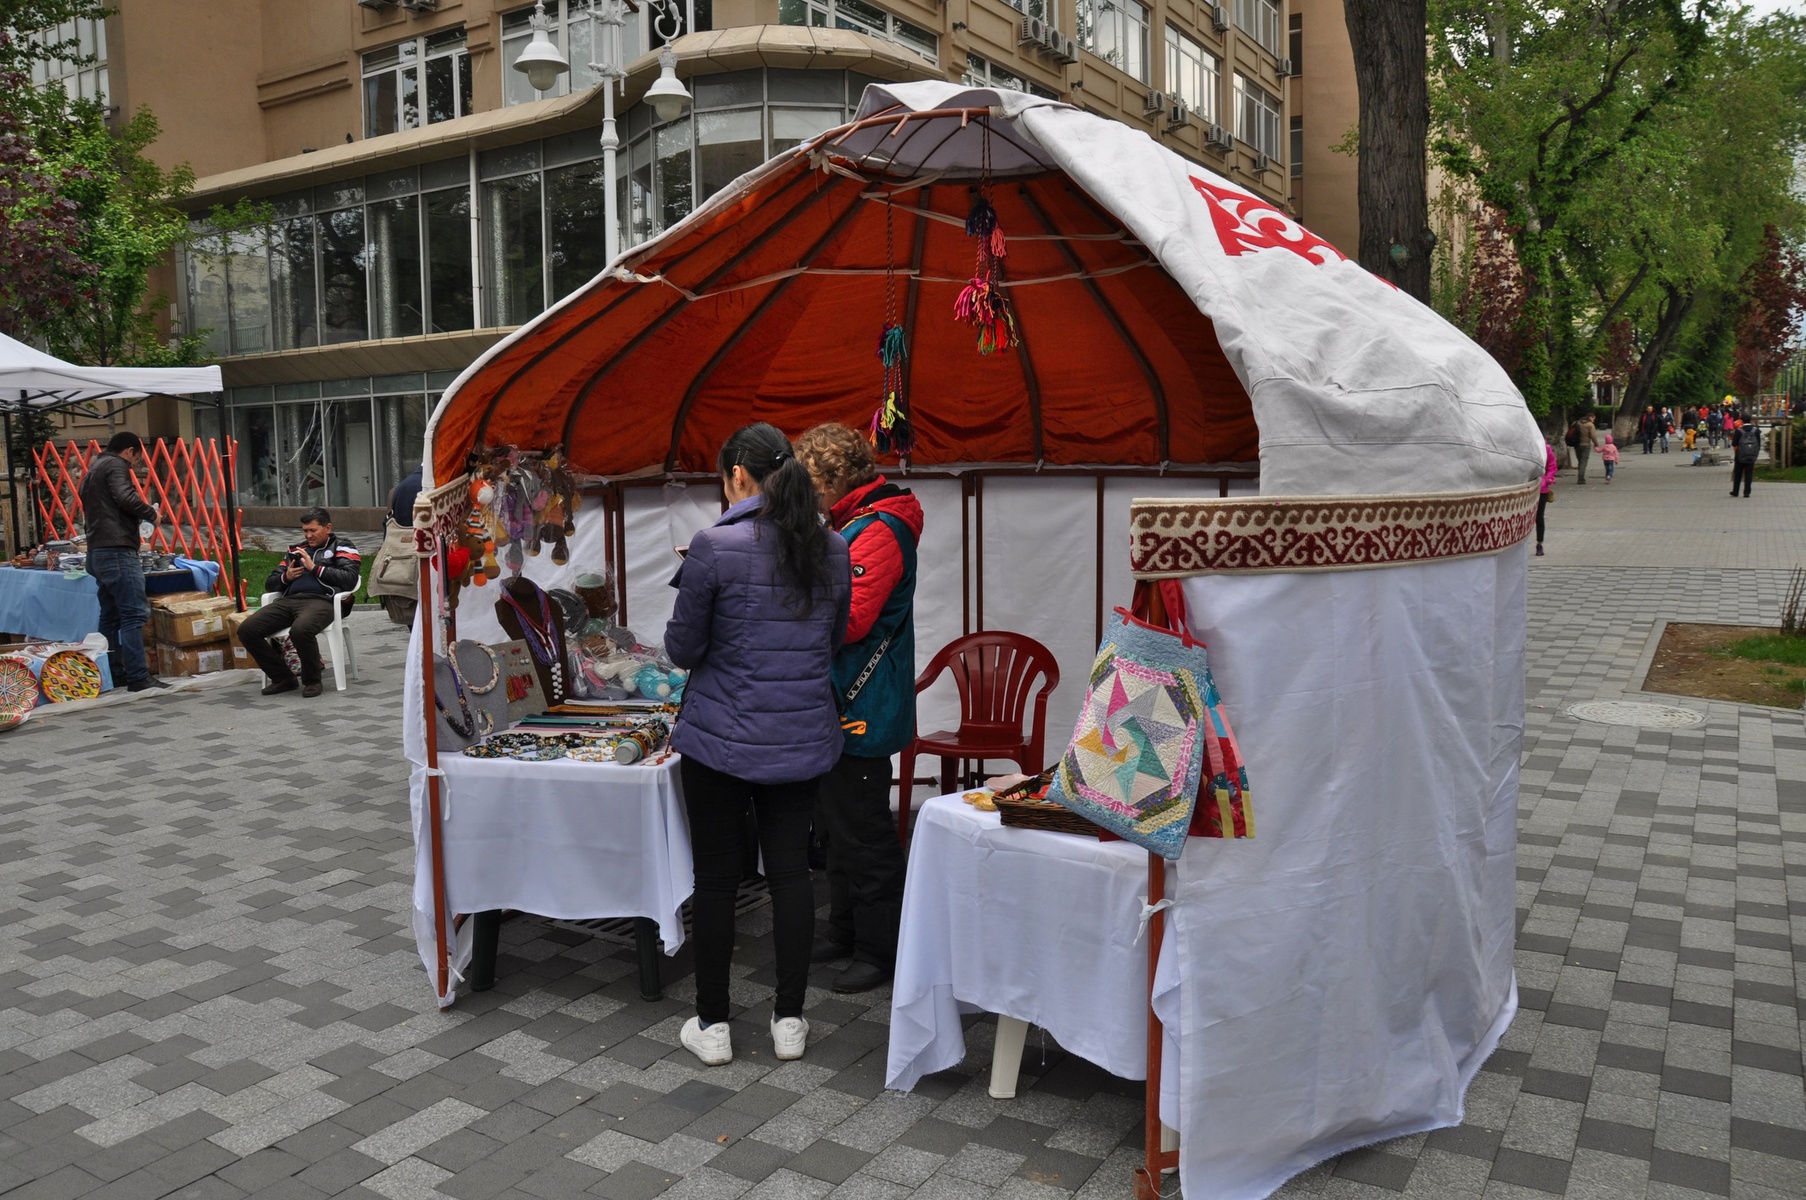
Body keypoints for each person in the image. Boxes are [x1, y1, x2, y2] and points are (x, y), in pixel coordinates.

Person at [663, 423, 851, 1067]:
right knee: (792, 873)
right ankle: (789, 1020)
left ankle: (713, 1025)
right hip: (801, 734)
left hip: (720, 739)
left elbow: (683, 648)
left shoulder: (713, 546)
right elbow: (831, 642)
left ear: (738, 475)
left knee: (716, 880)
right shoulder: (832, 547)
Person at [793, 423, 923, 995]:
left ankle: (880, 949)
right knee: (839, 827)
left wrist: (788, 598)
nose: (808, 496)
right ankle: (846, 931)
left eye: (811, 484)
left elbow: (850, 621)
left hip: (861, 701)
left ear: (832, 480)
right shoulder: (856, 523)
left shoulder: (878, 530)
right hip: (846, 698)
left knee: (865, 832)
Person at [77, 432, 168, 692]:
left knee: (110, 615)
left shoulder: (93, 469)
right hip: (117, 550)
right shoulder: (116, 465)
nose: (134, 464)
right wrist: (151, 514)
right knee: (133, 613)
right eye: (136, 458)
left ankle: (113, 673)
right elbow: (125, 497)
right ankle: (138, 677)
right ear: (129, 451)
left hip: (97, 551)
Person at [237, 507, 361, 697]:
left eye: (313, 530)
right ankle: (283, 678)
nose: (308, 535)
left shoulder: (342, 547)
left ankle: (312, 681)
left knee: (301, 630)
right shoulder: (295, 551)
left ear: (328, 528)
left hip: (323, 601)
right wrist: (286, 577)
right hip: (290, 601)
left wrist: (315, 568)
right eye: (305, 531)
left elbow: (350, 579)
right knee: (247, 630)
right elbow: (270, 583)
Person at [1536, 437, 1556, 557]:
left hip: (1542, 489)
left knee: (1539, 517)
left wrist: (1548, 479)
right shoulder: (1526, 446)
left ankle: (1539, 544)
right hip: (1527, 488)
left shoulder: (1546, 448)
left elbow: (1552, 466)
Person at [1731, 419, 1760, 498]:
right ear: (1750, 420)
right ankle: (1747, 492)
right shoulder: (1756, 430)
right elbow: (1758, 444)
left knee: (1738, 473)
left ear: (1742, 421)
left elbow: (1734, 444)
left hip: (1740, 455)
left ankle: (1735, 491)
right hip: (1751, 455)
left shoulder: (1739, 431)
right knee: (1749, 473)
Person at [1574, 413, 1597, 483]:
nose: (1593, 420)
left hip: (1576, 445)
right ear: (1590, 417)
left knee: (1580, 461)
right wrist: (1596, 444)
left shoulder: (1577, 423)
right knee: (1583, 462)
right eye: (1593, 418)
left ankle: (1580, 475)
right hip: (1586, 445)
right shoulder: (1590, 425)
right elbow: (1593, 436)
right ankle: (1581, 478)